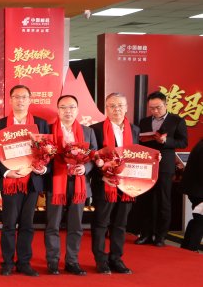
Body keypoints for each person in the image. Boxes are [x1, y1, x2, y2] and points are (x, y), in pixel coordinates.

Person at [0, 85, 50, 276]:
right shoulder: (0, 125)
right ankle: (7, 262)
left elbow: (48, 151)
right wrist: (6, 172)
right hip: (10, 181)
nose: (20, 100)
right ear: (10, 100)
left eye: (24, 97)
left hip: (32, 182)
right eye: (16, 97)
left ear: (30, 100)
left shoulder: (41, 124)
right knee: (9, 224)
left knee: (27, 224)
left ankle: (24, 262)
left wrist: (43, 168)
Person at [44, 95, 97, 276]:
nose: (68, 111)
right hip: (56, 182)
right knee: (53, 224)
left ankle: (72, 261)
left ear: (77, 110)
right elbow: (42, 155)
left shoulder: (88, 132)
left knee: (76, 226)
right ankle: (53, 261)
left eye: (72, 107)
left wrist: (85, 168)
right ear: (58, 110)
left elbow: (94, 156)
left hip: (79, 184)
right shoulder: (49, 130)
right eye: (64, 107)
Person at [90, 93, 141, 274]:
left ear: (126, 108)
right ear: (106, 109)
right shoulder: (95, 129)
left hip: (126, 185)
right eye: (112, 106)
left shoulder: (134, 130)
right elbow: (91, 159)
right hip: (105, 184)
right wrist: (101, 176)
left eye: (120, 105)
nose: (116, 109)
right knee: (101, 223)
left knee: (120, 224)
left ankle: (116, 259)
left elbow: (137, 155)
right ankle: (100, 260)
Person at [134, 91, 189, 246]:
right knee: (146, 200)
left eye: (158, 107)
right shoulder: (144, 121)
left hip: (165, 166)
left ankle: (160, 236)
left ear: (165, 105)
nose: (155, 111)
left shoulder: (177, 120)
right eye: (151, 108)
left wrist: (166, 141)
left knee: (163, 200)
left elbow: (183, 142)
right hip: (146, 165)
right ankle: (145, 234)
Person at [181, 137, 203, 252]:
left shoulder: (200, 144)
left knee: (198, 218)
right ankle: (191, 249)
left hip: (196, 190)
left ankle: (186, 248)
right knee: (200, 220)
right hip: (199, 191)